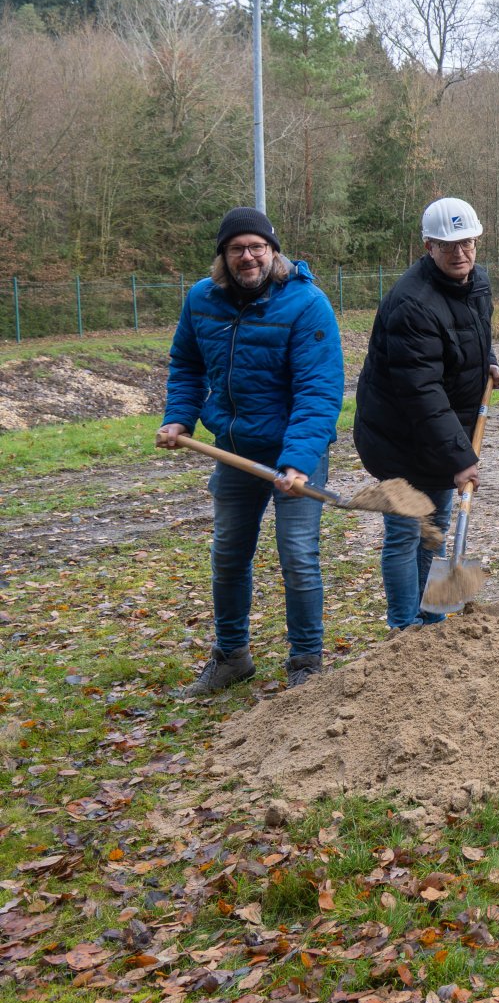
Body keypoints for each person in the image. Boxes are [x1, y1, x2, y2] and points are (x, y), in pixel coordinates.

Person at [158, 208, 344, 694]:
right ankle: (231, 657)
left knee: (298, 555)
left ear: (273, 251)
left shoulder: (307, 305)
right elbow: (186, 365)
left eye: (257, 247)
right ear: (224, 255)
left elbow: (318, 391)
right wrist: (178, 416)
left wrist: (298, 461)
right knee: (228, 554)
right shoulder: (202, 300)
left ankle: (306, 662)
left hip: (295, 450)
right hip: (234, 450)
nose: (248, 256)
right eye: (237, 248)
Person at [353, 197, 499, 631]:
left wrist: (488, 360)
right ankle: (404, 629)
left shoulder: (477, 282)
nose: (460, 254)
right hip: (398, 436)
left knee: (434, 523)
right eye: (447, 246)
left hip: (439, 432)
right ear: (428, 247)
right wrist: (460, 458)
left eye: (468, 243)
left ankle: (429, 615)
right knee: (406, 532)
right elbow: (422, 392)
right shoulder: (412, 304)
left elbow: (475, 332)